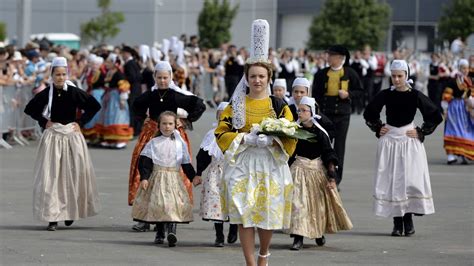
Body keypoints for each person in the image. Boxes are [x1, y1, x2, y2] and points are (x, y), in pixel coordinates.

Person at [215, 19, 297, 266]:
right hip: (243, 162)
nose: (257, 80)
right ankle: (250, 261)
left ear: (269, 77)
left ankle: (264, 254)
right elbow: (221, 132)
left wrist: (273, 141)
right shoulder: (236, 105)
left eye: (262, 76)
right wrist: (244, 138)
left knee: (267, 213)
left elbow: (291, 134)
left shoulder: (279, 105)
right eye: (253, 76)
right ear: (247, 78)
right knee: (243, 214)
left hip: (270, 163)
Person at [363, 59, 443, 237]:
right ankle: (397, 223)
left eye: (400, 76)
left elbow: (435, 114)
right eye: (394, 76)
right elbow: (369, 112)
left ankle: (409, 219)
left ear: (406, 75)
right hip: (390, 140)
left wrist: (421, 131)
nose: (397, 79)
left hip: (409, 140)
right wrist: (378, 127)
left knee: (409, 181)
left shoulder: (414, 95)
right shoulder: (385, 94)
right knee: (392, 181)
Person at [24, 57, 101, 231]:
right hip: (54, 137)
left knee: (74, 174)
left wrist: (80, 122)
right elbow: (30, 109)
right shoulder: (46, 93)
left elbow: (94, 105)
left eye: (63, 74)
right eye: (57, 74)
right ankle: (53, 217)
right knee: (52, 176)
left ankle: (70, 211)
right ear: (51, 75)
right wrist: (44, 122)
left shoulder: (74, 92)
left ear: (67, 74)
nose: (60, 77)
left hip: (72, 136)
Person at [128, 61, 206, 232]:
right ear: (154, 77)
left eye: (165, 77)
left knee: (170, 179)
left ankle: (168, 215)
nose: (162, 80)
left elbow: (199, 105)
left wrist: (185, 120)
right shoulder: (150, 95)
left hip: (172, 137)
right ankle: (145, 218)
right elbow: (135, 105)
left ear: (170, 77)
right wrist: (144, 117)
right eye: (159, 77)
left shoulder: (175, 95)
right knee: (147, 174)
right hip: (152, 136)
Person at [288, 96, 352, 250]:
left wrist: (331, 176)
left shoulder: (320, 133)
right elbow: (289, 153)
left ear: (312, 112)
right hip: (298, 170)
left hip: (316, 171)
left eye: (304, 110)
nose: (300, 113)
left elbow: (329, 153)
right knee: (298, 204)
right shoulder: (293, 131)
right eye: (299, 110)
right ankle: (298, 237)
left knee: (317, 205)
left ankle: (318, 233)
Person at [131, 111, 196, 247]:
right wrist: (144, 178)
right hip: (158, 177)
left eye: (170, 124)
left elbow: (185, 163)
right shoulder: (153, 143)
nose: (167, 127)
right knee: (160, 205)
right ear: (159, 125)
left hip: (174, 179)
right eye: (164, 124)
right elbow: (145, 162)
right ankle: (160, 232)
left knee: (173, 205)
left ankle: (172, 232)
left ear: (175, 125)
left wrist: (193, 176)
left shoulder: (180, 143)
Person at [312, 45, 363, 186]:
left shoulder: (350, 73)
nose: (327, 57)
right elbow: (315, 95)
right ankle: (323, 174)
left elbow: (360, 92)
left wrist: (348, 94)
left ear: (340, 58)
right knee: (323, 145)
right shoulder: (321, 74)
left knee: (339, 147)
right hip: (325, 115)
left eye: (331, 55)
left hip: (343, 115)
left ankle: (336, 178)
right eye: (328, 55)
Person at [194, 102, 239, 247]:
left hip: (234, 173)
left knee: (234, 202)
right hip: (216, 173)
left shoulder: (238, 134)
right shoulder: (212, 134)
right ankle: (219, 235)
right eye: (221, 114)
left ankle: (234, 228)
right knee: (216, 204)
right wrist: (198, 172)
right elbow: (203, 155)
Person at [98, 53, 134, 149]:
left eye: (109, 62)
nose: (106, 63)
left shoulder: (119, 73)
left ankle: (121, 139)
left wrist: (122, 99)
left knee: (118, 116)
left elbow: (124, 86)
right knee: (109, 117)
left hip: (117, 98)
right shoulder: (109, 72)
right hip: (110, 96)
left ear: (114, 63)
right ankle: (110, 139)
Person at [442, 59, 474, 164]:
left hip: (465, 109)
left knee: (465, 131)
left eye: (467, 68)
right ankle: (451, 155)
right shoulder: (453, 80)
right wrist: (445, 109)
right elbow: (447, 95)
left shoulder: (469, 81)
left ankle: (464, 153)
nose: (465, 70)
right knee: (453, 129)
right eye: (463, 68)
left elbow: (471, 94)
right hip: (454, 107)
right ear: (459, 68)